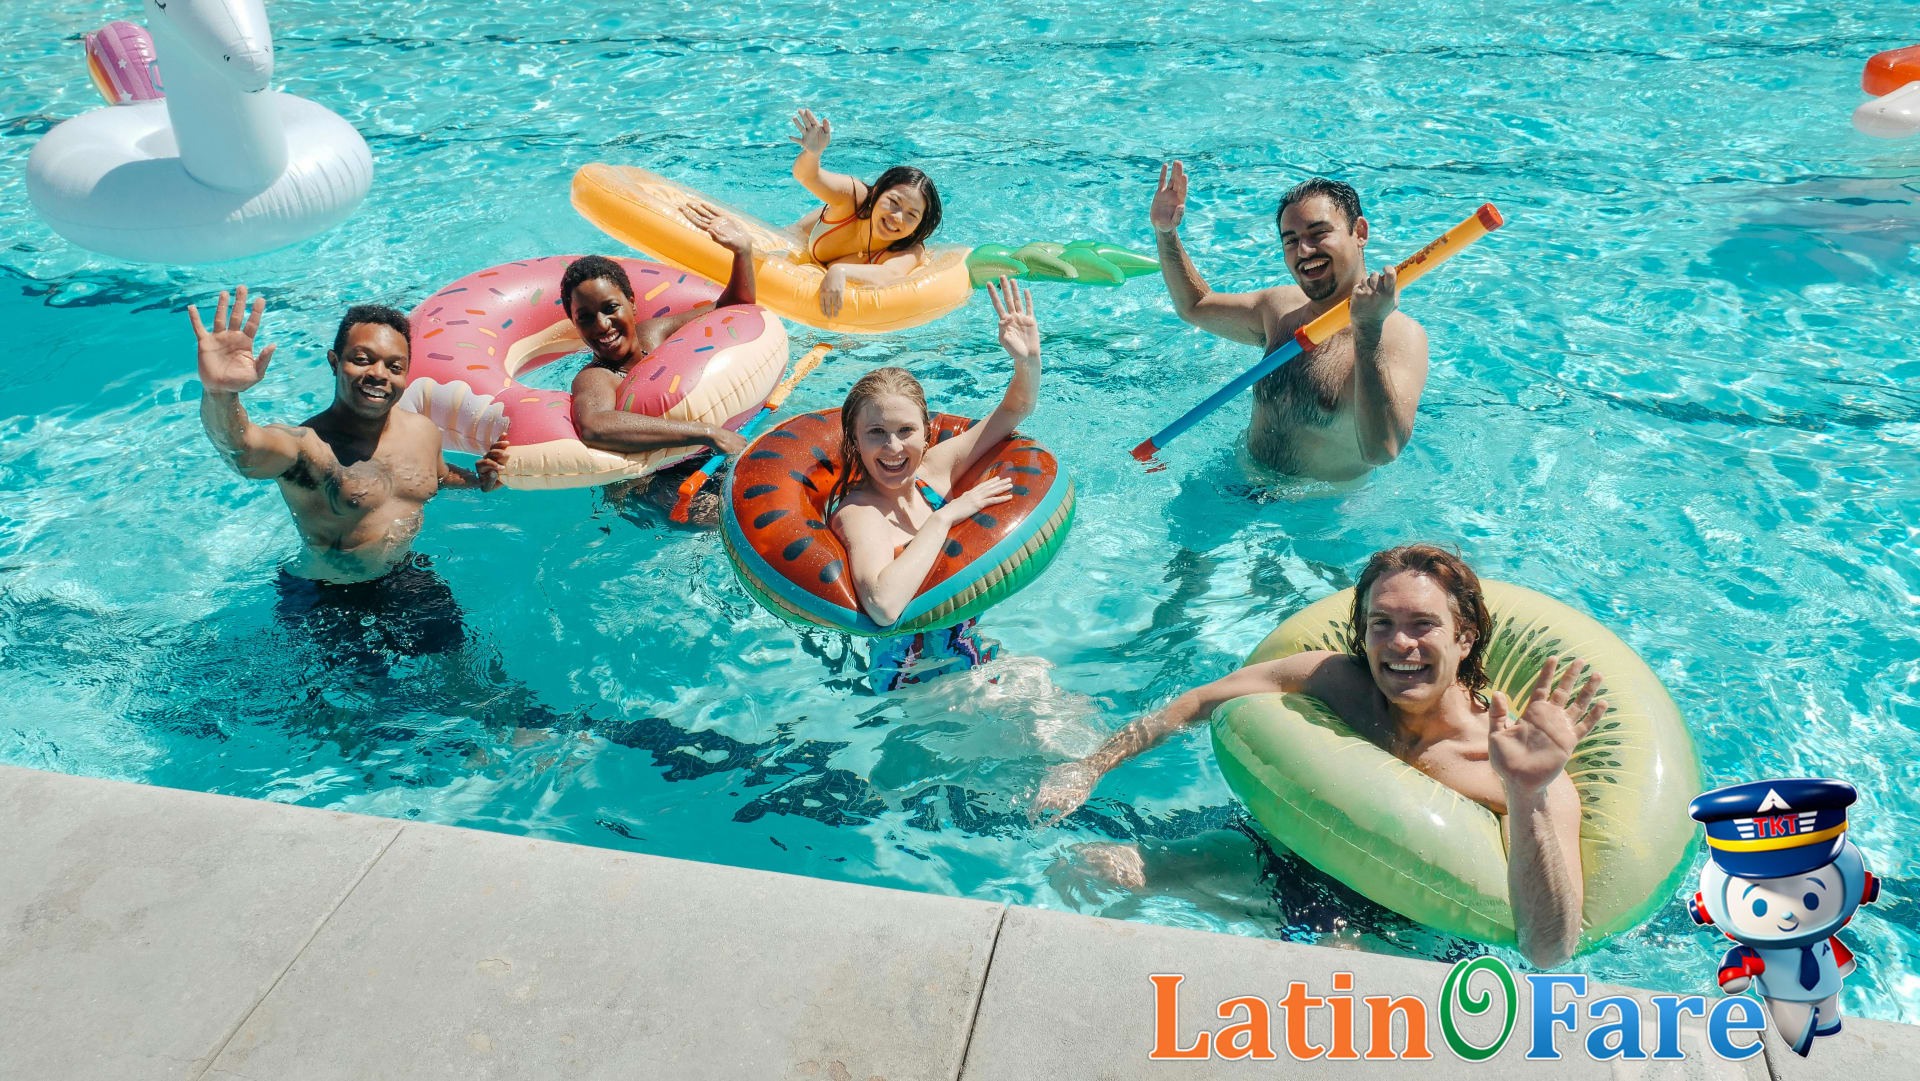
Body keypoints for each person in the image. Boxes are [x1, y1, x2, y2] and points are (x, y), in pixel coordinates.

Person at [1031, 545, 1604, 968]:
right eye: (1382, 624)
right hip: (1277, 859)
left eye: (1423, 624)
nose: (1400, 644)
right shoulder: (1336, 683)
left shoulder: (1510, 762)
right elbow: (1198, 702)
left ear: (1465, 636)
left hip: (1400, 927)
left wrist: (1528, 790)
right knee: (1084, 866)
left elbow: (1549, 950)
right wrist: (1089, 766)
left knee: (1322, 988)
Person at [193, 287, 508, 657]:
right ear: (333, 361)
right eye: (362, 359)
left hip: (402, 574)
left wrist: (477, 481)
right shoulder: (306, 447)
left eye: (394, 367)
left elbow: (436, 476)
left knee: (464, 669)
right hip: (325, 594)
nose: (379, 375)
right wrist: (220, 394)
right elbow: (242, 449)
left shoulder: (422, 431)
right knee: (351, 707)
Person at [1151, 166, 1430, 482]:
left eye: (1319, 233)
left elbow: (1383, 451)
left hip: (1316, 518)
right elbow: (1195, 307)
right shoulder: (1281, 308)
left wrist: (1367, 330)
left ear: (1360, 232)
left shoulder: (1398, 335)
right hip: (1238, 483)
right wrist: (1165, 232)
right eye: (1291, 240)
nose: (1305, 251)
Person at [829, 277, 1038, 689]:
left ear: (927, 432)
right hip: (913, 679)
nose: (893, 447)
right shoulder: (861, 513)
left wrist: (1027, 360)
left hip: (967, 650)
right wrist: (945, 518)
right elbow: (885, 606)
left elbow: (1014, 410)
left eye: (905, 430)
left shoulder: (934, 470)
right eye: (875, 433)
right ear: (854, 439)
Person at [563, 202, 757, 525]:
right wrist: (705, 432)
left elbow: (732, 307)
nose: (601, 325)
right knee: (733, 519)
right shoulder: (596, 378)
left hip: (701, 455)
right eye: (585, 318)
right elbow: (594, 425)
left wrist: (743, 252)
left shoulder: (653, 335)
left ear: (633, 304)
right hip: (650, 483)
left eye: (611, 308)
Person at [788, 107, 944, 318]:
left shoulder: (910, 249)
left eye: (912, 215)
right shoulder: (853, 196)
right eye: (894, 202)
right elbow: (807, 177)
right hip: (798, 238)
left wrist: (840, 271)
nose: (897, 217)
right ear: (877, 193)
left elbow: (891, 275)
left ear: (919, 225)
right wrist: (812, 154)